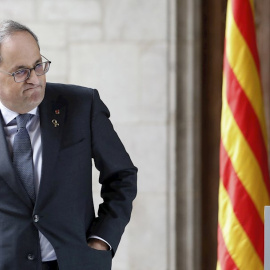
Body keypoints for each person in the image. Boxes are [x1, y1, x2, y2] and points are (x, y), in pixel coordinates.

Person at [0, 20, 137, 270]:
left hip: (74, 262)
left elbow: (122, 176)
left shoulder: (82, 105)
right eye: (21, 71)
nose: (35, 79)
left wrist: (102, 240)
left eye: (38, 65)